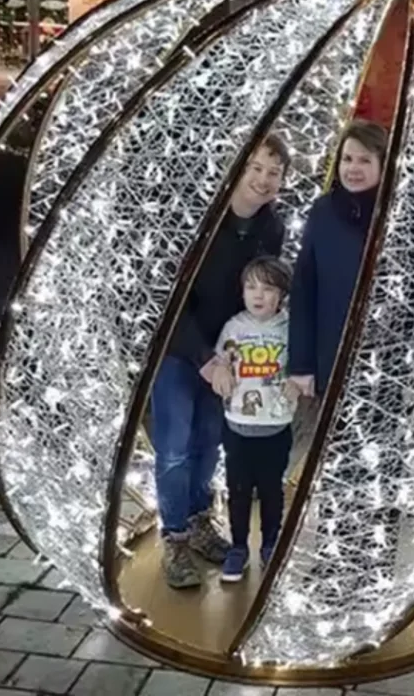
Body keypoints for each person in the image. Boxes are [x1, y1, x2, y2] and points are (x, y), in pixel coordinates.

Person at [150, 136, 288, 589]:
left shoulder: (272, 229)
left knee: (209, 442)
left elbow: (263, 295)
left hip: (228, 356)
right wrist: (204, 357)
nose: (263, 179)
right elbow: (169, 301)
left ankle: (198, 518)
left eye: (273, 172)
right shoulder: (201, 220)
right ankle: (174, 537)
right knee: (173, 448)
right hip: (181, 349)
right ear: (236, 167)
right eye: (256, 168)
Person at [288, 120, 388, 440]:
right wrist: (301, 363)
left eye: (364, 160)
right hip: (333, 359)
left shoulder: (399, 215)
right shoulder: (323, 212)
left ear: (383, 165)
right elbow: (304, 288)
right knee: (336, 448)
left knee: (384, 452)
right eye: (347, 159)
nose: (353, 168)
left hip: (387, 364)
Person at [202, 256, 297, 582]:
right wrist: (223, 368)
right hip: (238, 426)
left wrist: (296, 381)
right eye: (251, 287)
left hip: (276, 425)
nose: (258, 295)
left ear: (282, 294)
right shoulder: (234, 327)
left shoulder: (290, 329)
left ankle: (271, 544)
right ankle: (238, 547)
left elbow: (301, 367)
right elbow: (220, 360)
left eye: (268, 289)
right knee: (238, 490)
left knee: (272, 490)